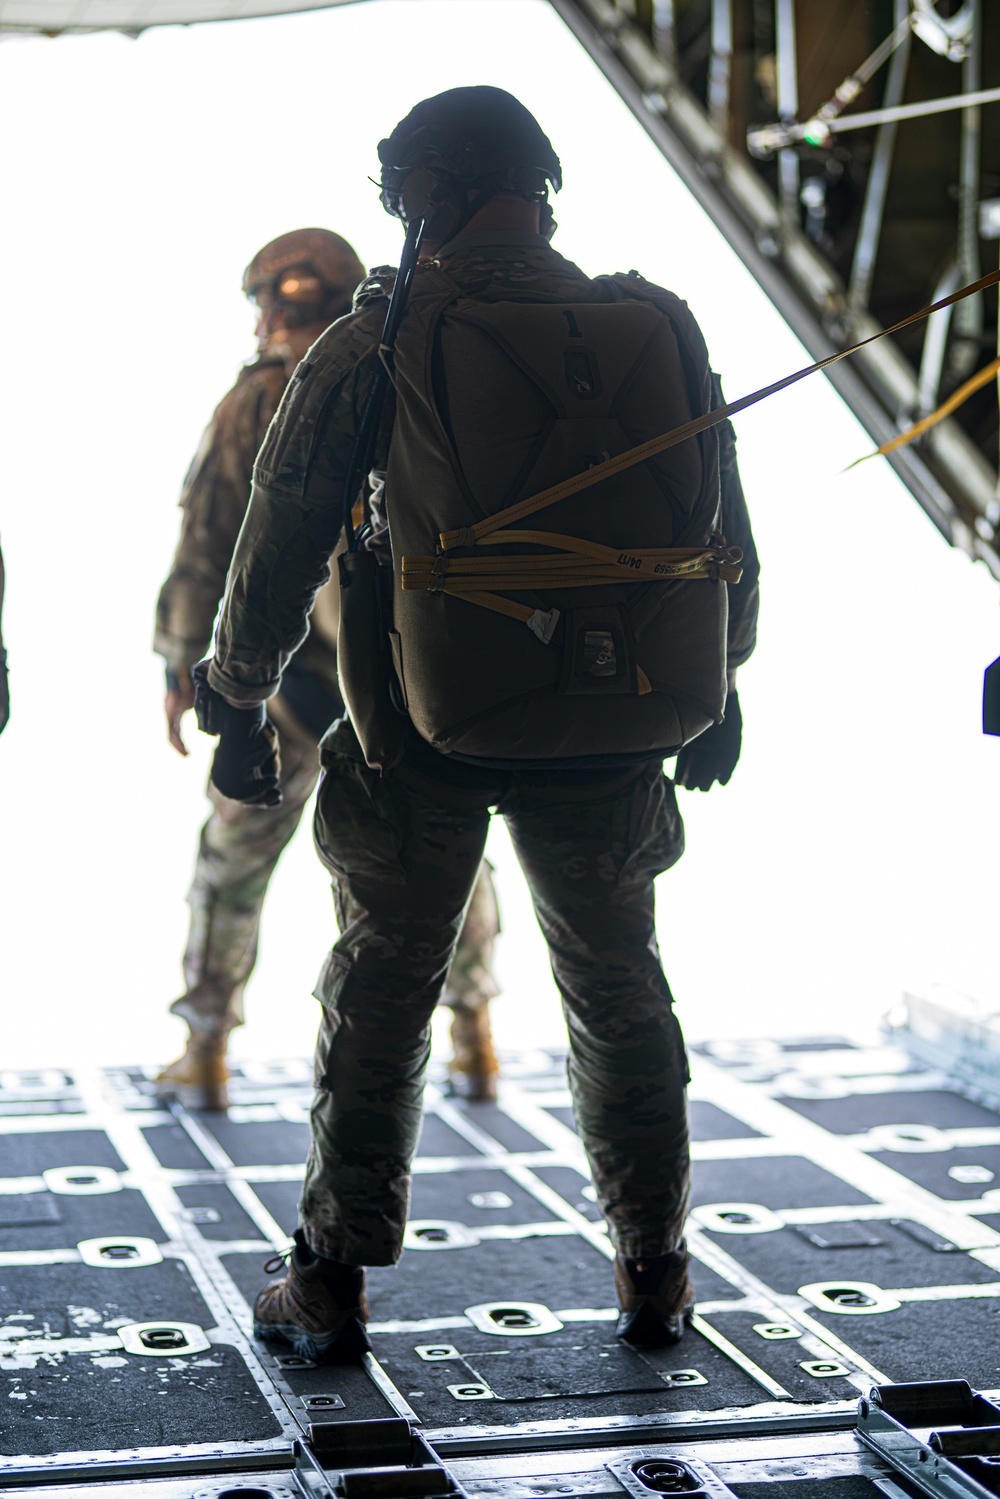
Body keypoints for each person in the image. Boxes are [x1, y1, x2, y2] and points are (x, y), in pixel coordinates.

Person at [196, 87, 759, 1360]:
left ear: (421, 196)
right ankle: (656, 1271)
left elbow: (280, 533)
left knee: (380, 992)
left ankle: (331, 1280)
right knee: (622, 994)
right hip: (622, 731)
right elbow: (722, 527)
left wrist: (234, 694)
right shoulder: (652, 319)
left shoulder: (377, 338)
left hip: (421, 737)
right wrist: (726, 688)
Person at [154, 227, 502, 1110]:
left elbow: (210, 544)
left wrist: (181, 666)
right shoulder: (421, 384)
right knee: (448, 859)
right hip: (415, 680)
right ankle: (474, 1036)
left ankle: (205, 1046)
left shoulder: (263, 401)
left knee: (231, 862)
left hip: (284, 685)